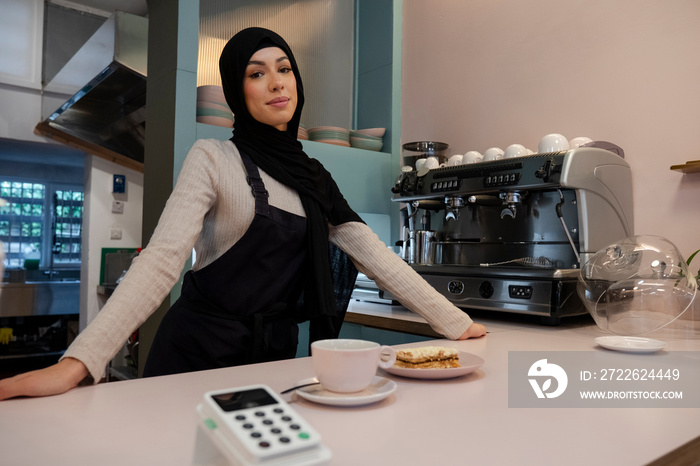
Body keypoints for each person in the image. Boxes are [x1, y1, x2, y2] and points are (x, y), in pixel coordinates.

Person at [0, 27, 485, 401]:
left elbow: (375, 256)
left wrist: (455, 323)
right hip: (195, 355)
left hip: (271, 360)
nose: (276, 84)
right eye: (256, 73)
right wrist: (77, 363)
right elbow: (163, 259)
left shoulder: (314, 176)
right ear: (238, 90)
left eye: (284, 69)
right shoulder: (213, 158)